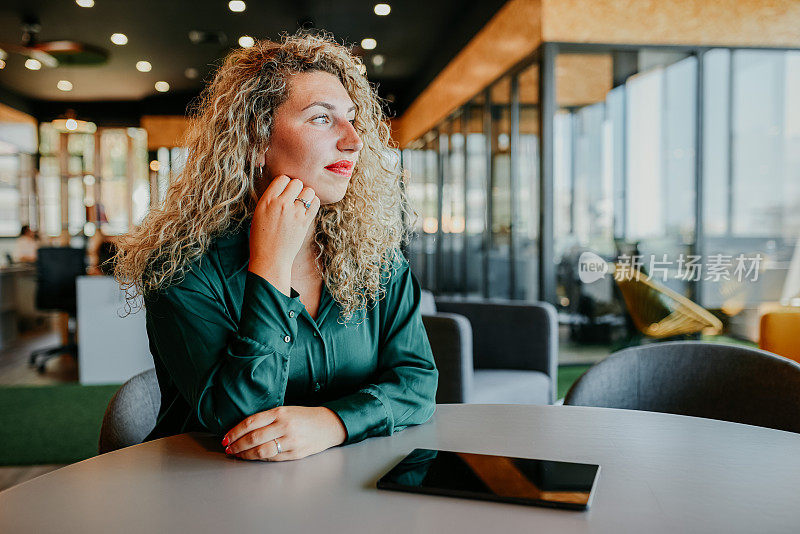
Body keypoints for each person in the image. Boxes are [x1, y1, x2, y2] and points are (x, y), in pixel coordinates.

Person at [115, 32, 438, 462]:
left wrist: (334, 422)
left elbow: (417, 380)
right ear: (256, 137)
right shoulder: (180, 266)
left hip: (352, 490)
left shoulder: (374, 253)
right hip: (208, 497)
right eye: (322, 118)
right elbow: (240, 420)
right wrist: (269, 265)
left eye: (353, 118)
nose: (354, 140)